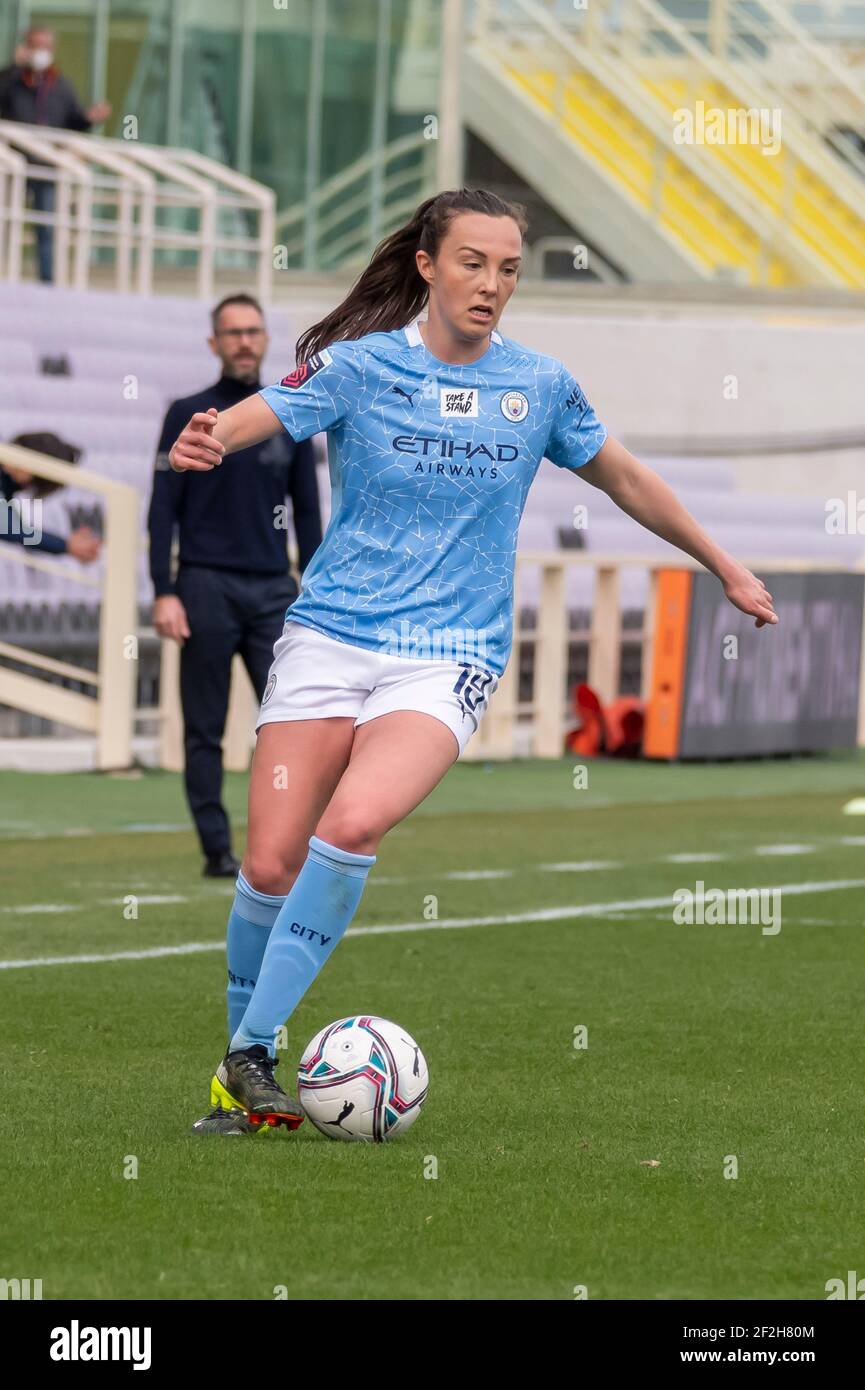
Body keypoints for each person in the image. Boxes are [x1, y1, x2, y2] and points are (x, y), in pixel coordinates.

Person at [167, 188, 779, 1137]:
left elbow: (623, 476)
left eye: (507, 268)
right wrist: (213, 436)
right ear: (427, 264)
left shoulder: (538, 384)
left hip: (446, 654)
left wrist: (724, 563)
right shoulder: (363, 366)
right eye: (472, 263)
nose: (491, 284)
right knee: (270, 859)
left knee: (357, 820)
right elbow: (270, 412)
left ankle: (251, 1053)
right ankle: (240, 1069)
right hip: (329, 635)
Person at [148, 293, 322, 880]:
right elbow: (161, 510)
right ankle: (216, 851)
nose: (244, 341)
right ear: (214, 342)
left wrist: (317, 590)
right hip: (203, 586)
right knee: (205, 726)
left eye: (253, 331)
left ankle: (282, 848)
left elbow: (308, 513)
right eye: (232, 332)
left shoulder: (288, 413)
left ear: (266, 338)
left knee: (291, 724)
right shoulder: (185, 413)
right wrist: (163, 589)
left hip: (277, 591)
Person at [0, 25, 111, 281]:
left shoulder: (59, 84)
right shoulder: (11, 79)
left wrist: (90, 118)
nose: (40, 52)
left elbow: (74, 120)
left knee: (47, 227)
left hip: (47, 166)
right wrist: (15, 68)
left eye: (45, 47)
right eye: (35, 46)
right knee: (5, 223)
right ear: (25, 47)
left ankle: (47, 283)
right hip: (11, 164)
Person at [1, 431, 100, 563]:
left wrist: (66, 545)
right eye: (36, 481)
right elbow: (9, 527)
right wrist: (66, 545)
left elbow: (15, 529)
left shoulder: (6, 479)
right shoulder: (6, 477)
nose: (27, 486)